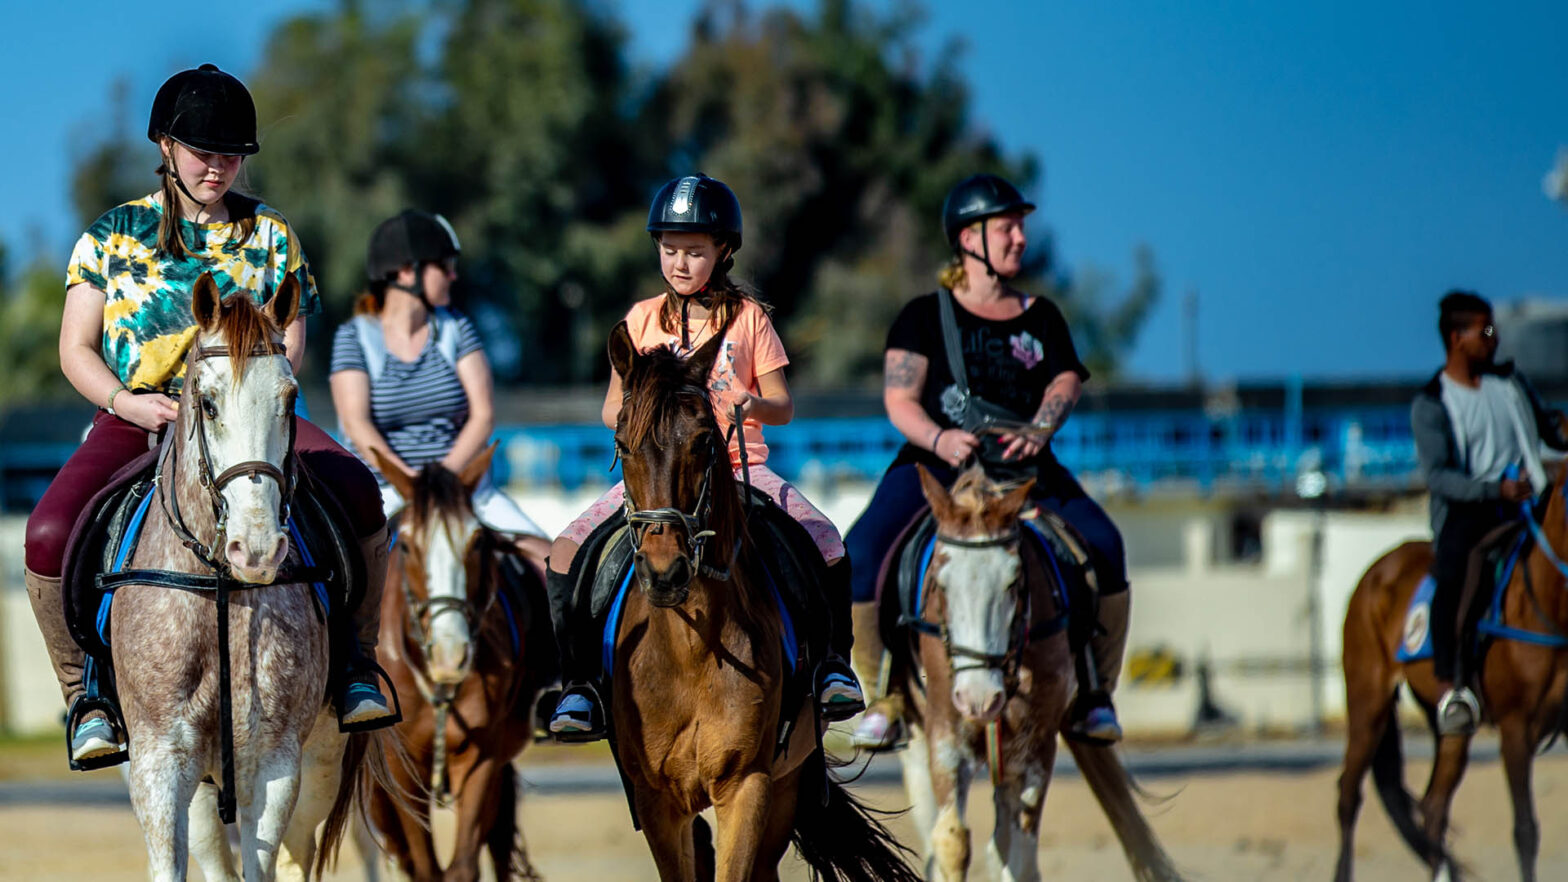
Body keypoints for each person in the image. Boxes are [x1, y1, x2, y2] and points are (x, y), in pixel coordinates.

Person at [24, 64, 395, 766]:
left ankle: (354, 666)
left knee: (357, 492)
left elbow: (290, 349)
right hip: (140, 416)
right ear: (164, 145)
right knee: (45, 534)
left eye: (231, 155)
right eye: (203, 152)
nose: (218, 168)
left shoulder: (272, 235)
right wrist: (125, 401)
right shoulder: (114, 234)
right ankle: (87, 696)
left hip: (251, 422)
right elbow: (75, 348)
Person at [543, 173, 864, 740]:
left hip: (743, 468)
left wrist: (750, 401)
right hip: (660, 476)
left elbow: (783, 406)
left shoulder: (750, 319)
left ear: (724, 251)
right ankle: (580, 687)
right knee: (567, 550)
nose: (680, 263)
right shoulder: (639, 321)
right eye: (669, 250)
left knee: (826, 539)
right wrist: (643, 420)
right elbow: (610, 409)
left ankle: (834, 666)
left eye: (694, 251)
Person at [844, 173, 1130, 749]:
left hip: (1025, 472)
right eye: (1008, 227)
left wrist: (1043, 426)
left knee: (1106, 544)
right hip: (942, 463)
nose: (1020, 238)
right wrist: (939, 439)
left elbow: (1066, 379)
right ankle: (885, 697)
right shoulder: (924, 315)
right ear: (969, 238)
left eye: (1021, 226)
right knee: (862, 552)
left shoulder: (1042, 316)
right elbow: (900, 398)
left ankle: (1095, 694)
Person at [329, 210, 549, 559]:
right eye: (443, 266)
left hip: (462, 489)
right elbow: (356, 424)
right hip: (385, 491)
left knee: (551, 564)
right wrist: (410, 482)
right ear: (405, 271)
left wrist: (441, 481)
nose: (453, 275)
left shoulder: (455, 328)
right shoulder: (354, 337)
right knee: (338, 580)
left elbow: (483, 415)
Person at [1411, 290, 1568, 735]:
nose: (1495, 338)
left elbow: (1549, 431)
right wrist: (1492, 488)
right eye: (1485, 330)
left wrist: (1562, 430)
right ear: (1457, 338)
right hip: (1471, 511)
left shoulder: (1511, 384)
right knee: (1461, 569)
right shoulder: (1432, 404)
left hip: (1527, 502)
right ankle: (1453, 681)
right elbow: (1439, 476)